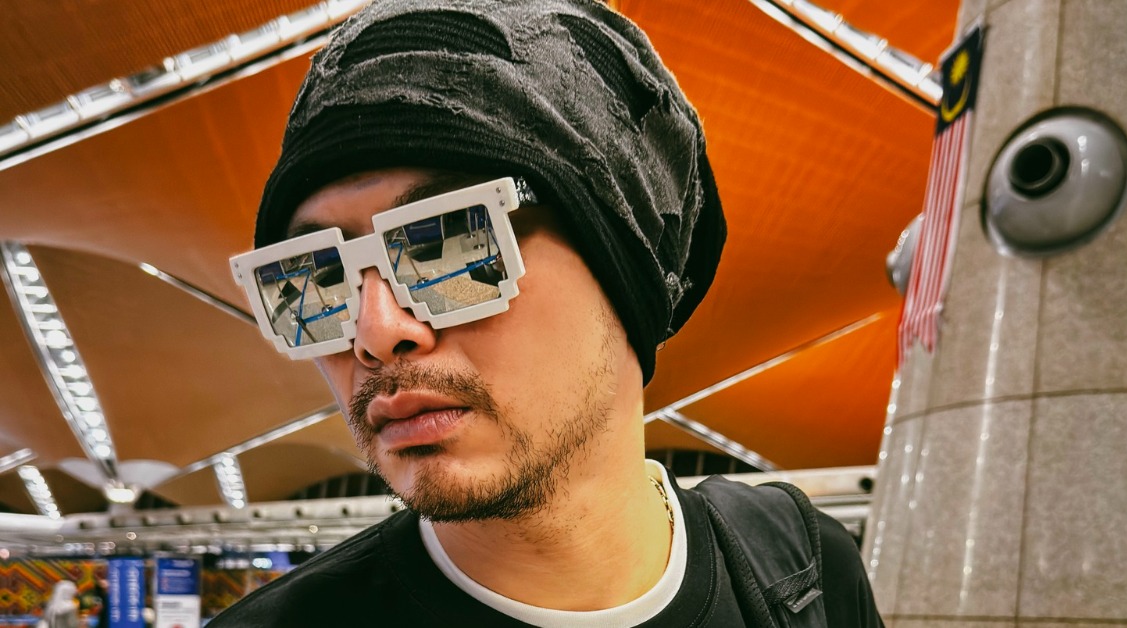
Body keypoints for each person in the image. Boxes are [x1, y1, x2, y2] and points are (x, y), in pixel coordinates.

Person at [217, 0, 883, 626]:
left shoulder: (802, 568)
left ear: (625, 268)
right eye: (317, 278)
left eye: (453, 242)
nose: (376, 332)